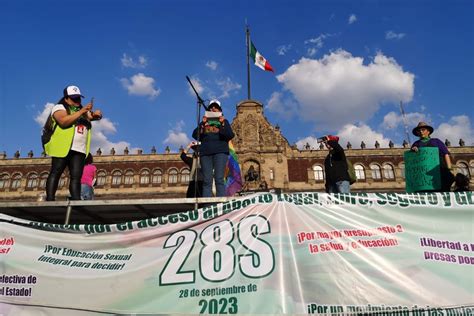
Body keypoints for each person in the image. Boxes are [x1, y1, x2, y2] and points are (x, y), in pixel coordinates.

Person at [44, 85, 102, 201]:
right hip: (62, 146)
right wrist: (82, 111)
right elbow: (63, 121)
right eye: (74, 98)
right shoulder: (59, 108)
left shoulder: (82, 112)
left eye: (78, 98)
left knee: (76, 176)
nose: (77, 101)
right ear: (66, 99)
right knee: (56, 172)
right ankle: (50, 199)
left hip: (79, 148)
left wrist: (97, 115)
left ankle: (76, 200)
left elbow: (92, 116)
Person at [192, 99, 234, 197]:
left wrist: (222, 123)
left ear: (220, 110)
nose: (213, 108)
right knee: (207, 180)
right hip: (205, 153)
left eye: (216, 107)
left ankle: (220, 204)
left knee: (219, 178)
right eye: (211, 107)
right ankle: (207, 206)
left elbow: (229, 135)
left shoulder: (224, 121)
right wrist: (202, 124)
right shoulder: (204, 122)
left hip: (220, 152)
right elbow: (195, 135)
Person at [411, 122, 454, 192]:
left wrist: (449, 169)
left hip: (440, 171)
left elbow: (445, 154)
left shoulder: (436, 141)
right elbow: (412, 161)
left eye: (423, 129)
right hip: (424, 176)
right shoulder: (416, 144)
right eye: (419, 130)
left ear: (428, 131)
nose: (421, 132)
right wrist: (412, 152)